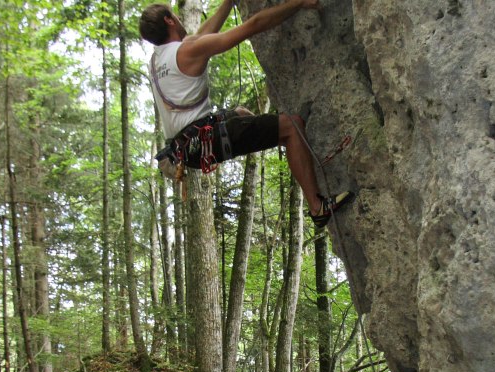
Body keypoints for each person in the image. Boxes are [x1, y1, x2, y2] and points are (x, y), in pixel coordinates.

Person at [139, 0, 353, 227]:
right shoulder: (187, 50)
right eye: (176, 16)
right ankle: (317, 207)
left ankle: (294, 149)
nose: (180, 20)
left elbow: (201, 36)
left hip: (187, 147)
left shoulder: (156, 62)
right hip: (204, 140)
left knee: (240, 113)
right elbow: (253, 25)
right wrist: (299, 3)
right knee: (293, 126)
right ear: (169, 20)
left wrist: (228, 3)